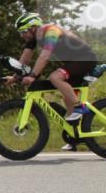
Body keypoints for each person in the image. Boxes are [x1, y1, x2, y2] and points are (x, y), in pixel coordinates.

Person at [9, 13, 99, 141]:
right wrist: (15, 76)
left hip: (85, 59)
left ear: (33, 28)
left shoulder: (51, 32)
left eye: (23, 31)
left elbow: (45, 56)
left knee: (55, 77)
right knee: (67, 98)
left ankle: (80, 107)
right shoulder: (33, 38)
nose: (22, 35)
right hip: (74, 62)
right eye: (20, 32)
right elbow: (25, 59)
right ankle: (74, 137)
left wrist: (33, 76)